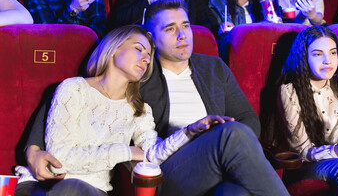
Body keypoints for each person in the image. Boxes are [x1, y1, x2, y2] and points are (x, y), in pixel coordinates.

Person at [20, 0, 289, 196]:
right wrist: (33, 150)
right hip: (169, 168)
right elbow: (78, 94)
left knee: (236, 190)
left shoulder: (213, 67)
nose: (183, 34)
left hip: (217, 158)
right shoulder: (140, 75)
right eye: (170, 29)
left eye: (185, 25)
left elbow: (247, 119)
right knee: (233, 134)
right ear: (152, 38)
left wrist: (211, 137)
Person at [15, 24, 235, 195]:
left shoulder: (139, 109)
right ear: (114, 49)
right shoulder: (74, 88)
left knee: (71, 189)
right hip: (41, 185)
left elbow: (153, 155)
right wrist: (125, 151)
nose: (145, 59)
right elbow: (59, 158)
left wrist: (190, 131)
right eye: (138, 49)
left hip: (91, 189)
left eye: (148, 56)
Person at [262, 26, 338, 195]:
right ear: (304, 58)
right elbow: (303, 152)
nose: (328, 60)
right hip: (302, 167)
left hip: (337, 159)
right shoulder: (289, 91)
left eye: (332, 52)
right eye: (318, 54)